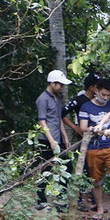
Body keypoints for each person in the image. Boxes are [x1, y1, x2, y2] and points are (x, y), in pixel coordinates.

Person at [79, 78, 110, 216]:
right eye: (103, 95)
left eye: (108, 95)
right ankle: (100, 208)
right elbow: (82, 127)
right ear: (96, 91)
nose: (105, 98)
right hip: (93, 148)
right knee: (96, 180)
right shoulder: (86, 107)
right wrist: (92, 129)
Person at [35, 69, 72, 210]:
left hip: (58, 139)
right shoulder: (42, 99)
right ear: (52, 83)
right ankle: (41, 201)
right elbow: (42, 122)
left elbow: (58, 119)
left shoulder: (57, 98)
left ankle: (61, 200)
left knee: (66, 167)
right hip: (46, 140)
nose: (62, 87)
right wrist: (51, 140)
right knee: (46, 168)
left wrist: (65, 136)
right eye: (60, 84)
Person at [62, 72, 100, 138]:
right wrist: (76, 128)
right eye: (98, 86)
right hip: (83, 136)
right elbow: (62, 114)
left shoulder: (99, 100)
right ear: (91, 87)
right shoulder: (78, 100)